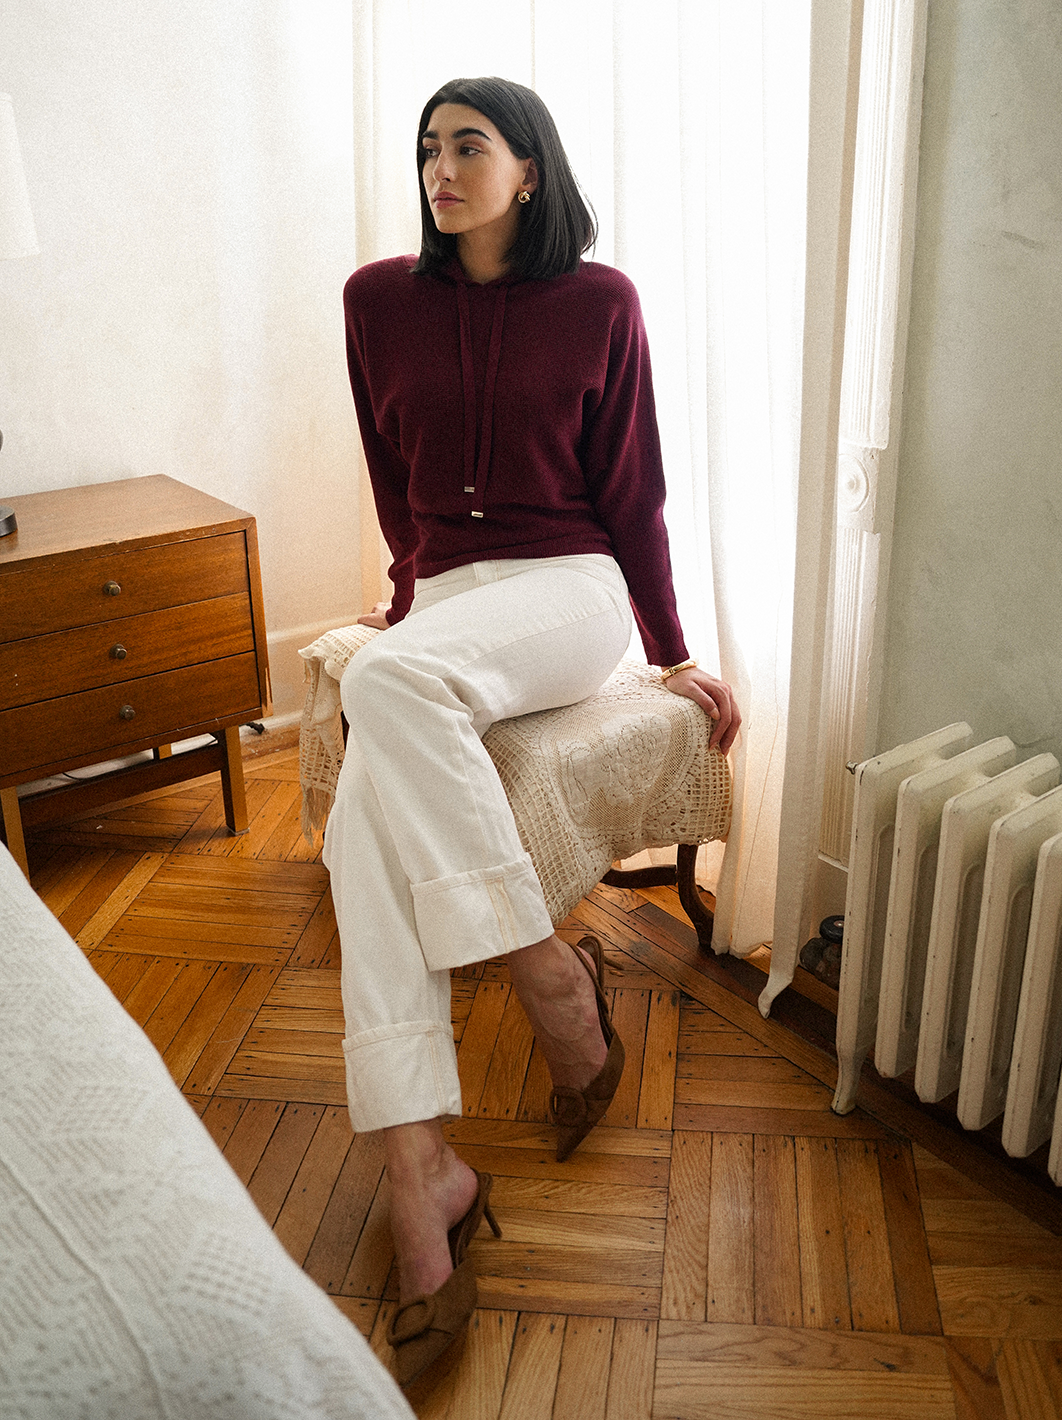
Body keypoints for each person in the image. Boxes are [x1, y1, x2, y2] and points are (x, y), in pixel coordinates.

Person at [325, 75, 740, 1396]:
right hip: (452, 603)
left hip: (571, 590)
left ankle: (550, 988)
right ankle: (422, 1170)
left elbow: (634, 489)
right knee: (362, 832)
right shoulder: (374, 300)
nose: (440, 171)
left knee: (385, 687)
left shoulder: (601, 303)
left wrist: (670, 651)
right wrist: (409, 609)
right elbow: (391, 480)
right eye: (427, 150)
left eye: (469, 147)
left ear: (530, 170)